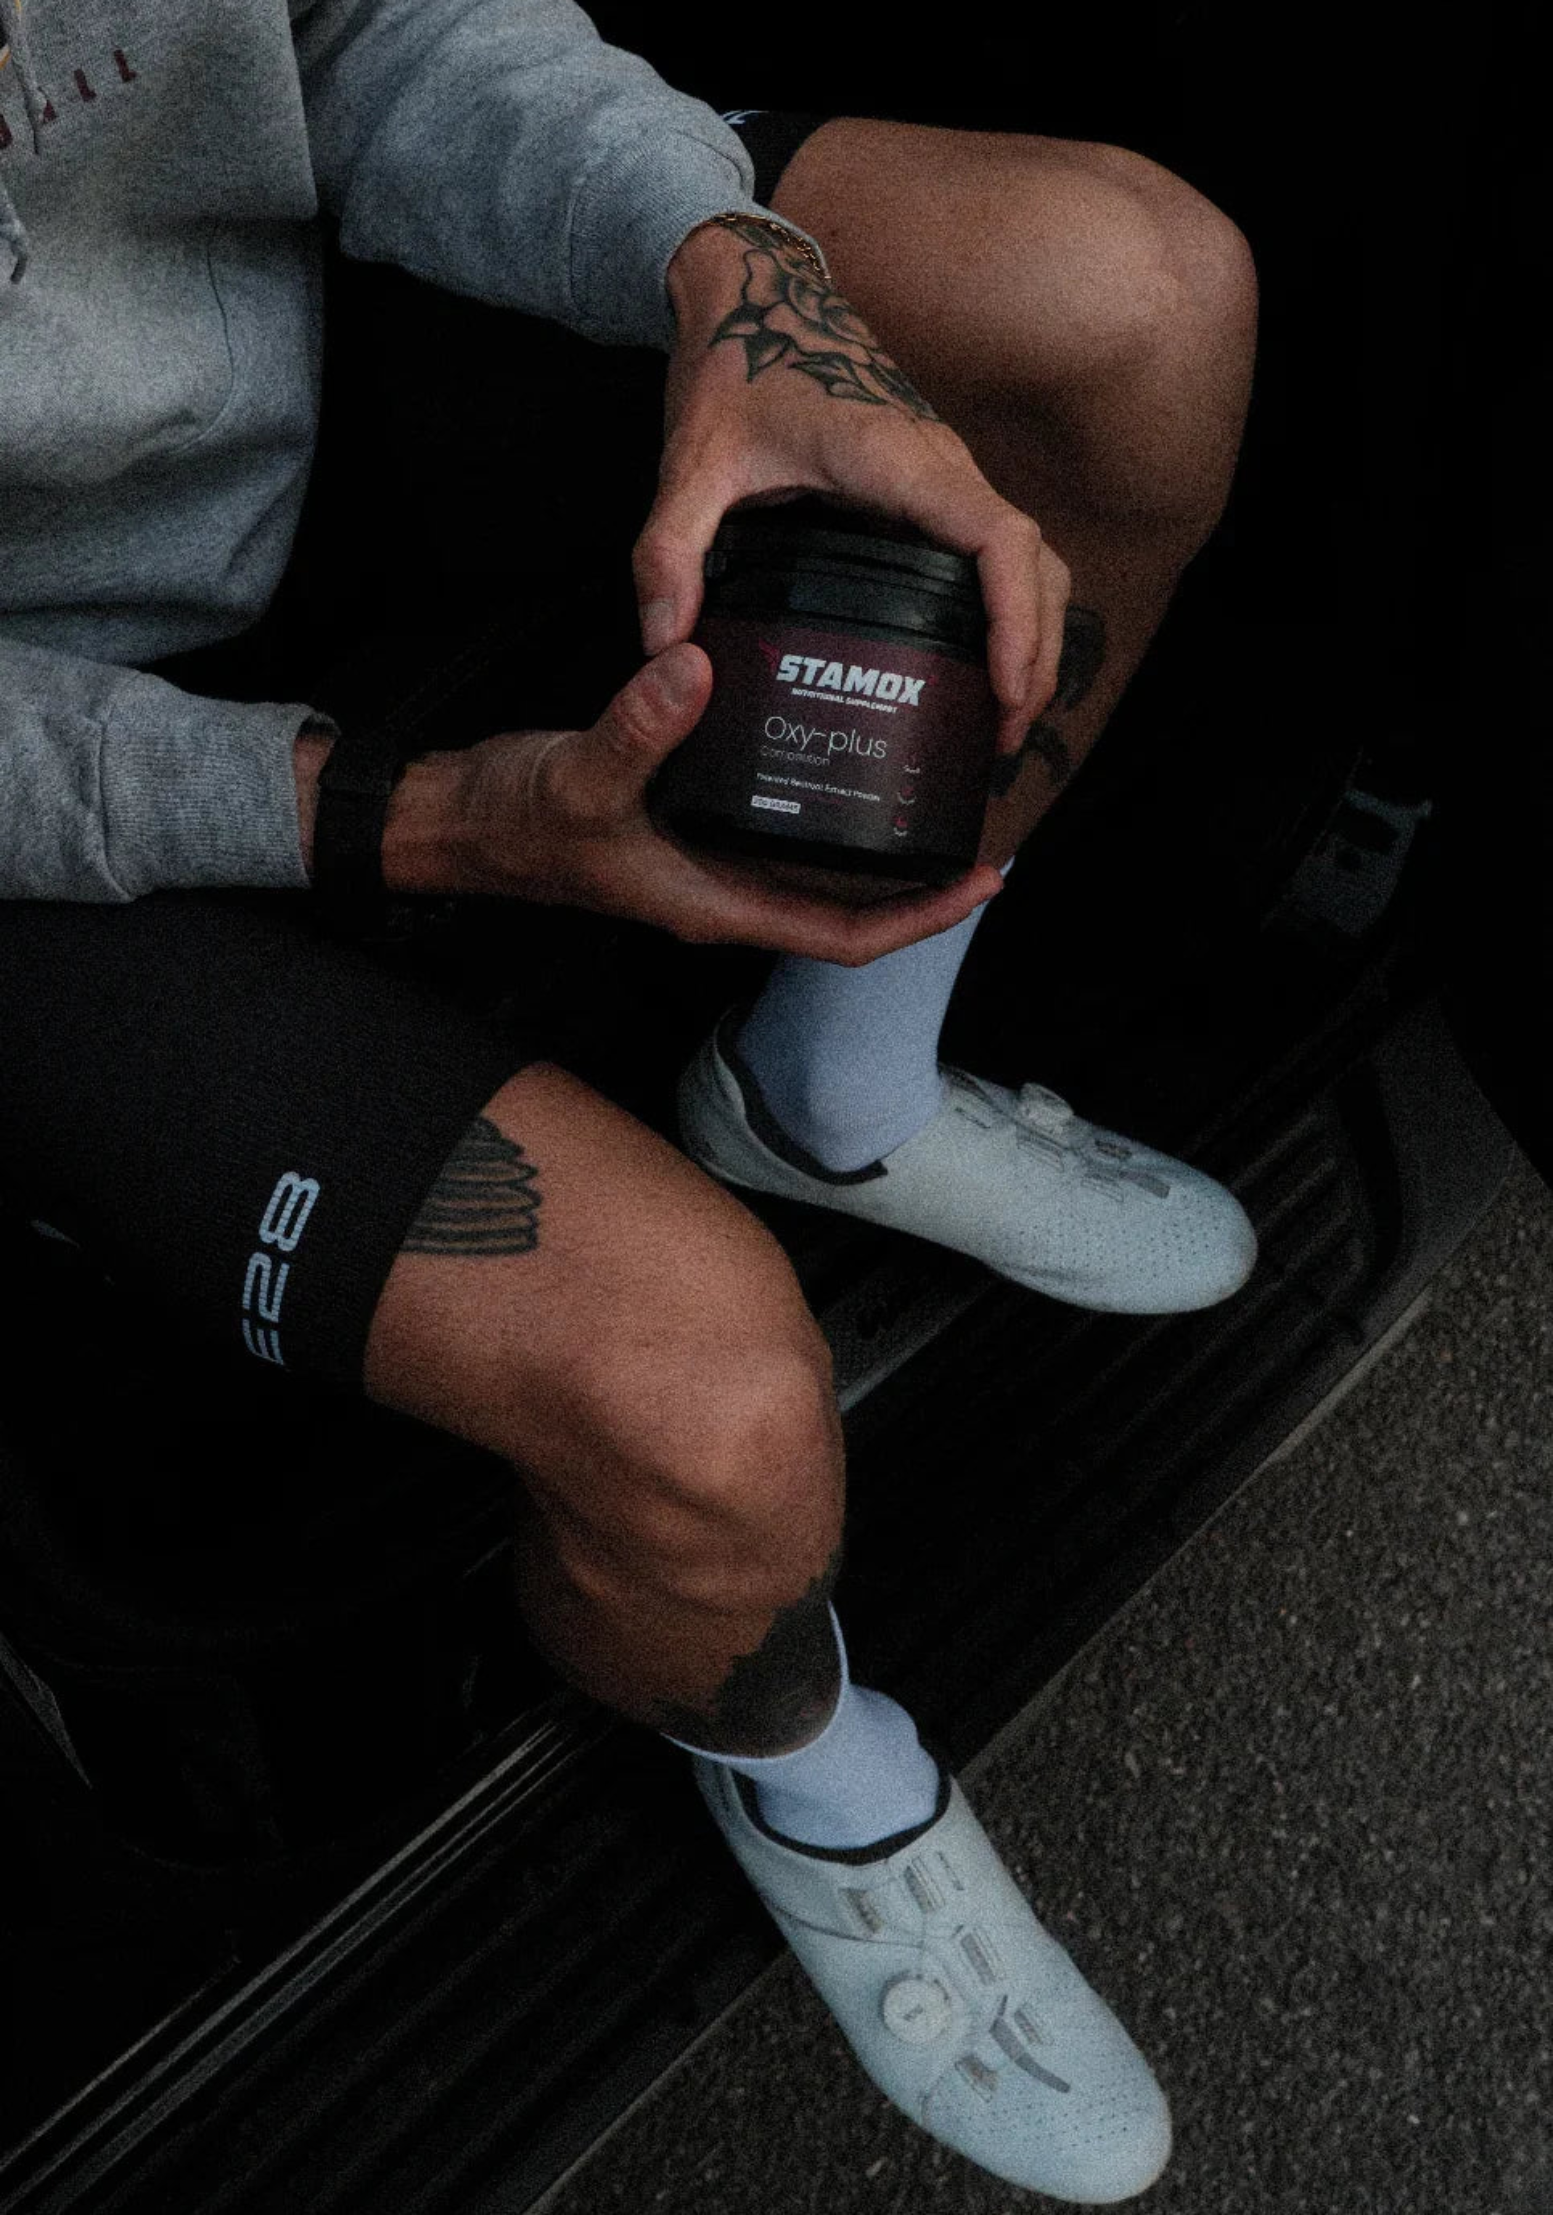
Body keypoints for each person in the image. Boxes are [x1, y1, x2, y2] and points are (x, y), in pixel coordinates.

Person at [0, 2, 1260, 2196]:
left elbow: (351, 25)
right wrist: (427, 815)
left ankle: (829, 1087)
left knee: (1131, 303)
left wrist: (728, 281)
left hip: (267, 371)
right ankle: (794, 1751)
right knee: (714, 1431)